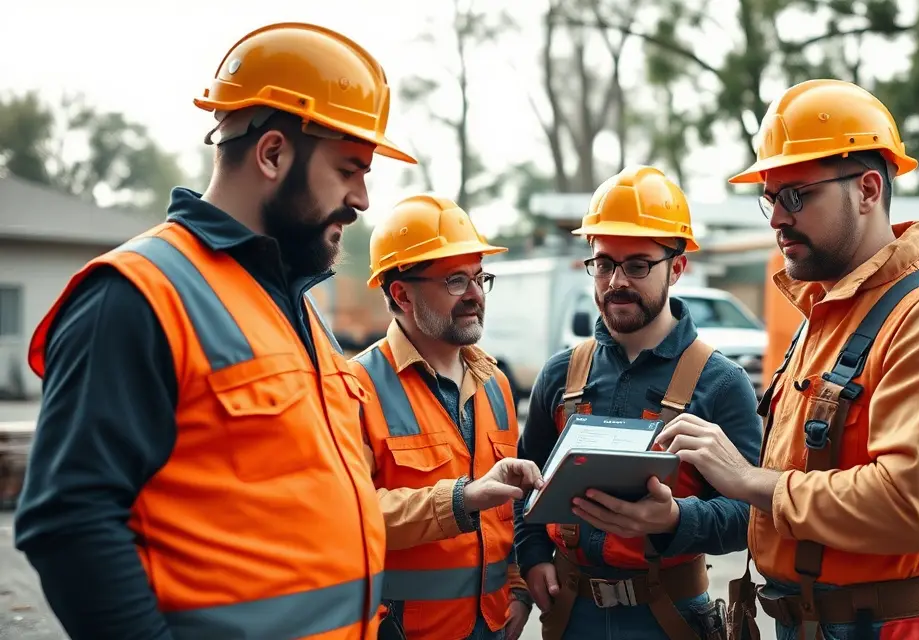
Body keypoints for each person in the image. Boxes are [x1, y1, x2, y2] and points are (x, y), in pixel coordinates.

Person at [14, 22, 416, 640]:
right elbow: (70, 525)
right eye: (349, 169)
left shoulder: (297, 308)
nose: (362, 198)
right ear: (274, 153)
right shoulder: (135, 295)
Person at [655, 78, 919, 640]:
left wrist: (753, 482)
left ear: (868, 188)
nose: (776, 218)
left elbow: (912, 506)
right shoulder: (826, 317)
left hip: (896, 627)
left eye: (796, 195)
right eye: (769, 198)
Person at [514, 165, 764, 639]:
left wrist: (675, 518)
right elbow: (528, 485)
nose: (615, 282)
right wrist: (529, 560)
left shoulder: (721, 383)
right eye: (604, 263)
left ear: (678, 266)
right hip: (571, 615)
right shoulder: (560, 374)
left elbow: (751, 515)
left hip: (670, 615)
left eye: (637, 265)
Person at [348, 194, 543, 640]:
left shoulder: (494, 384)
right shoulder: (357, 387)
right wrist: (461, 499)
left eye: (480, 277)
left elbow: (507, 513)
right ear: (401, 293)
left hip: (494, 627)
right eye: (456, 280)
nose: (475, 295)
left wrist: (516, 588)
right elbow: (351, 515)